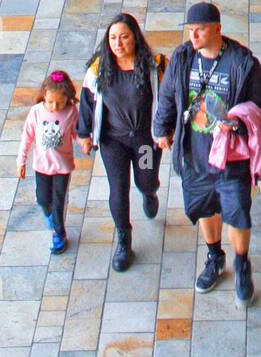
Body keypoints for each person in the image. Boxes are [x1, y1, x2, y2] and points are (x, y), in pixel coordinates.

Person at [154, 2, 261, 309]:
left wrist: (241, 120)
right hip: (194, 155)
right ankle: (214, 256)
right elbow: (168, 95)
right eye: (190, 30)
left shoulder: (242, 62)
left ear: (218, 28)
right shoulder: (182, 58)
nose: (193, 35)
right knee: (205, 208)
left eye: (200, 29)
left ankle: (242, 263)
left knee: (238, 212)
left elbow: (260, 100)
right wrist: (160, 129)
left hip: (230, 157)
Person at [78, 14, 168, 273]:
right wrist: (85, 135)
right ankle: (124, 239)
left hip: (144, 142)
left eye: (124, 37)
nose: (118, 43)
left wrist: (167, 129)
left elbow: (169, 98)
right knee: (118, 188)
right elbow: (87, 102)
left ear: (135, 38)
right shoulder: (98, 69)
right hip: (113, 141)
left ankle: (149, 193)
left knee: (146, 179)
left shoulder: (154, 66)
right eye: (113, 38)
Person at [16, 70, 79, 255]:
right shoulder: (36, 112)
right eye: (50, 101)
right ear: (44, 96)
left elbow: (77, 133)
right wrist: (21, 161)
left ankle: (59, 234)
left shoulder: (71, 112)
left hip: (62, 167)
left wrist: (86, 142)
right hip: (41, 166)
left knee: (59, 201)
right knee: (43, 199)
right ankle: (50, 215)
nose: (54, 106)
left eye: (60, 102)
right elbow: (26, 137)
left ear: (68, 98)